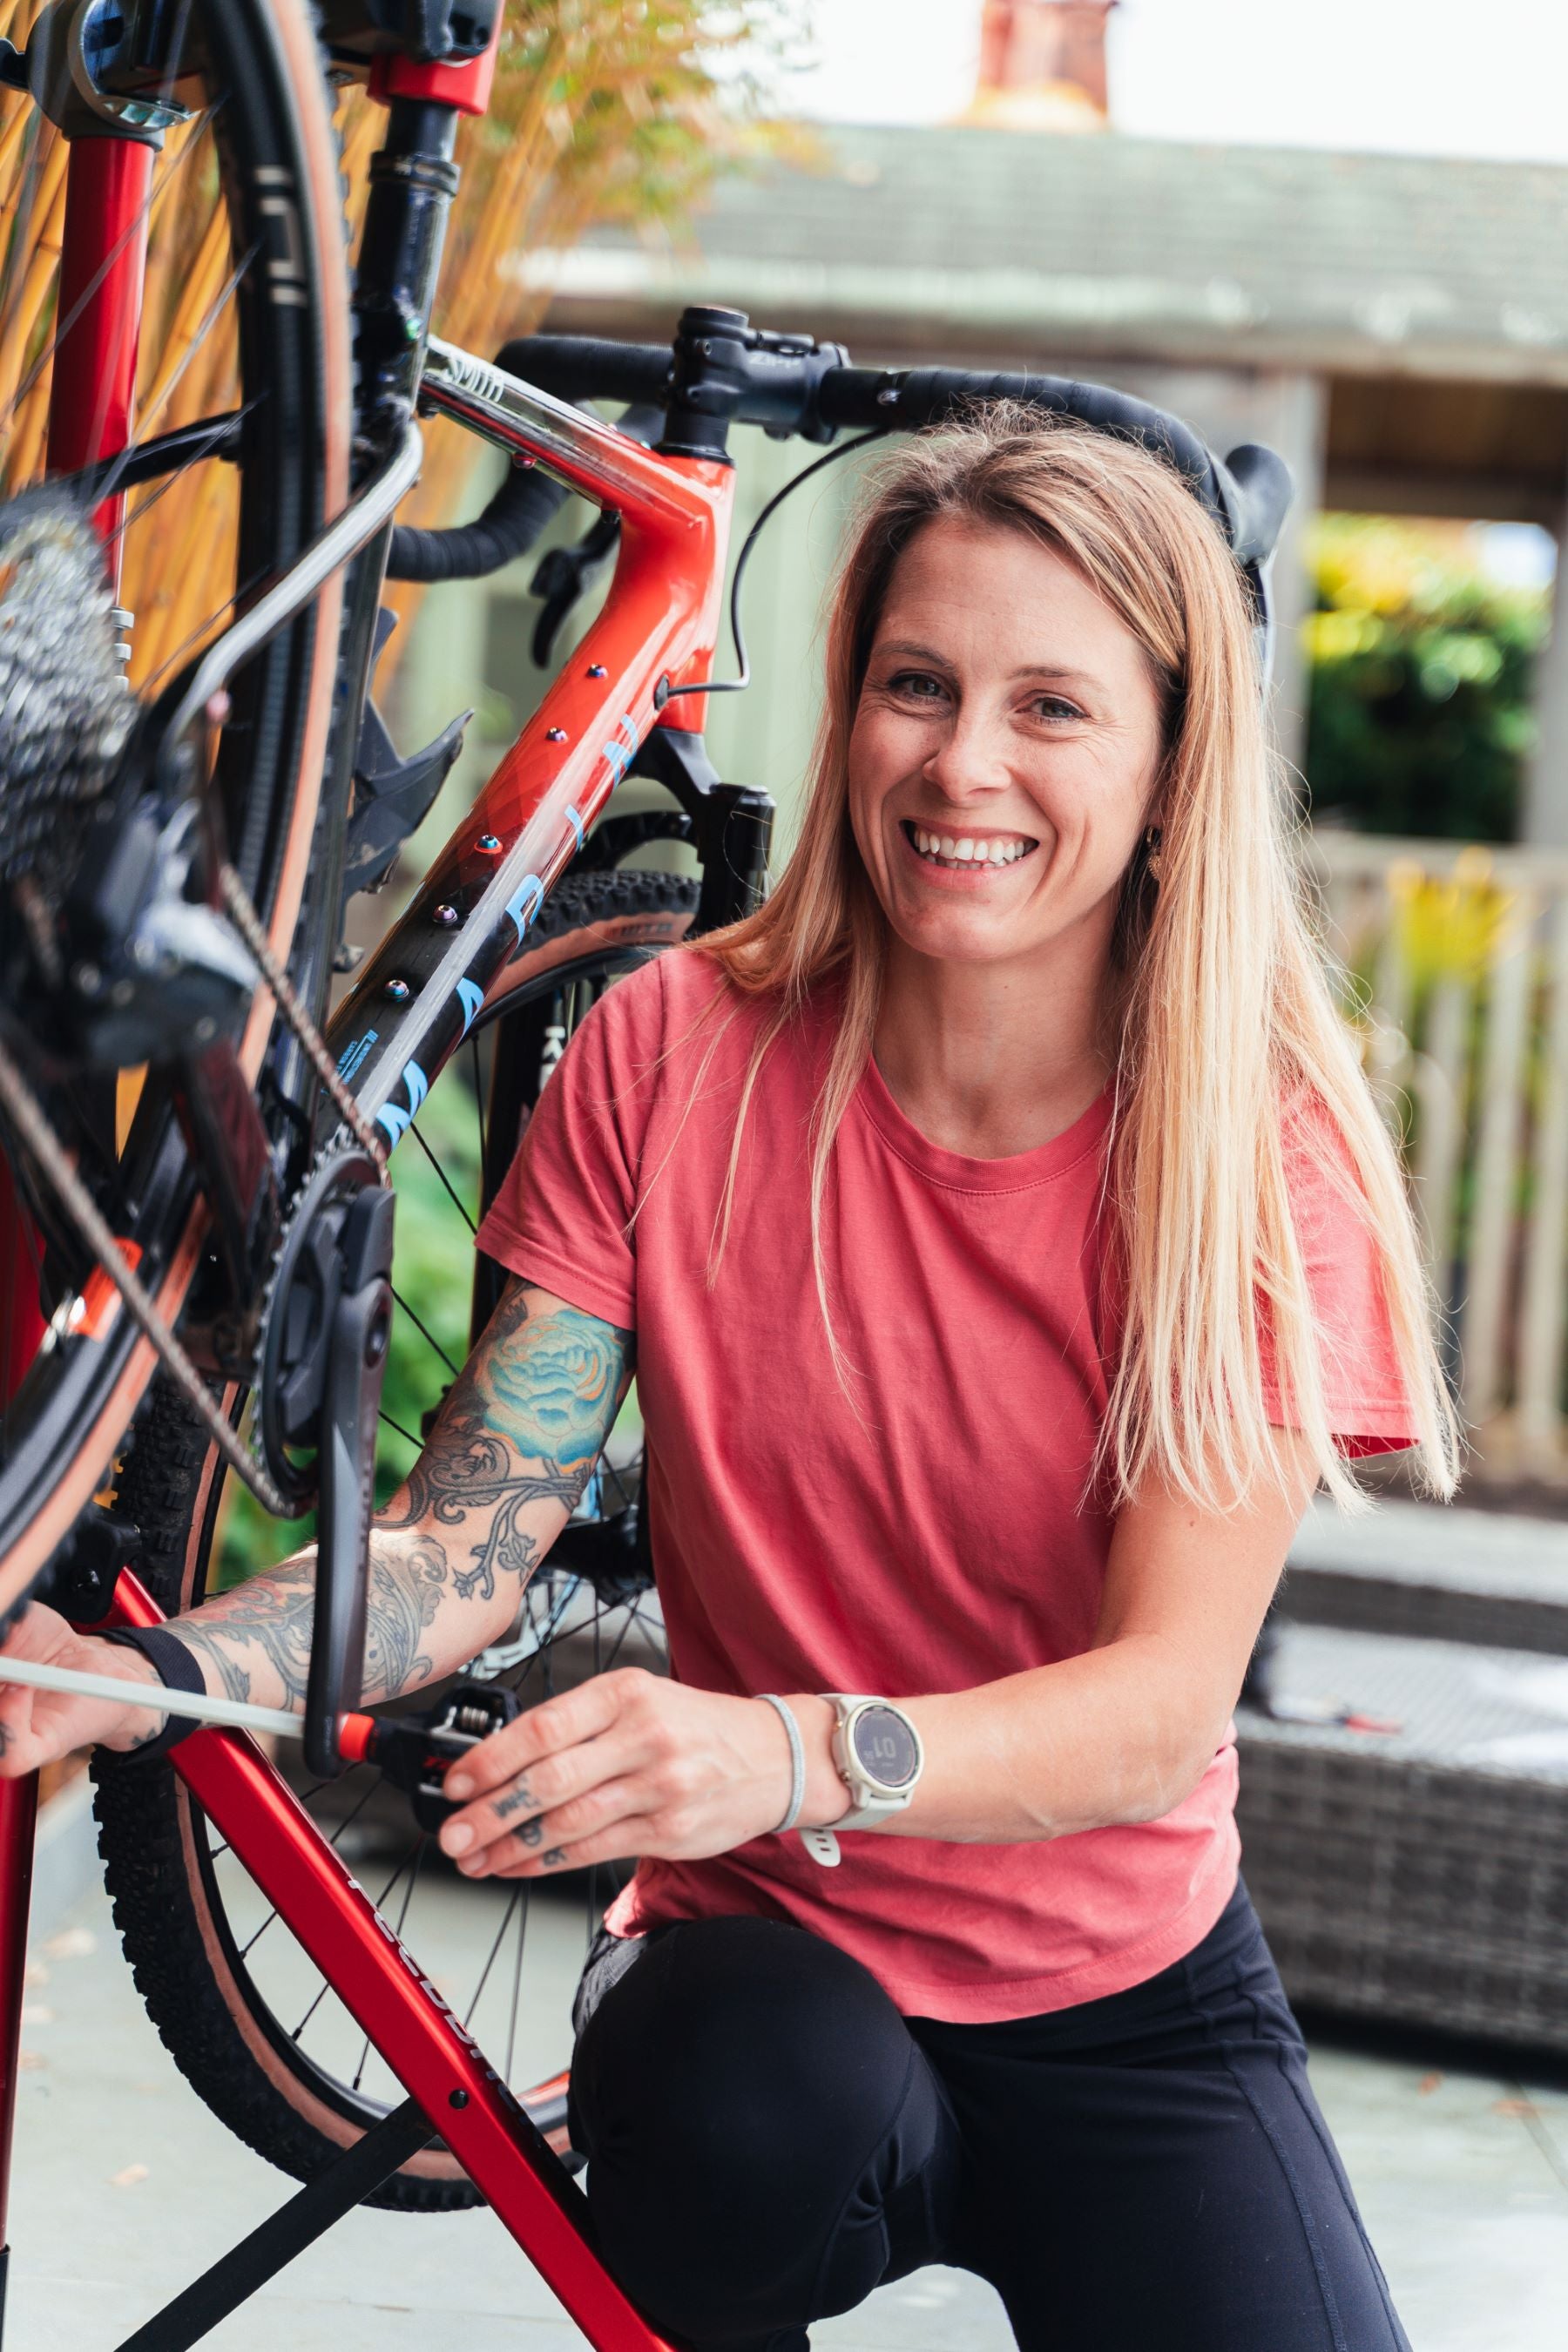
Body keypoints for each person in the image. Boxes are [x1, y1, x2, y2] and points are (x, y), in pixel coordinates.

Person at [0, 409, 1460, 2352]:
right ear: (848, 710)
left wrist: (772, 1747)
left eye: (1053, 709)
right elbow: (462, 1544)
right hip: (774, 1992)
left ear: (1177, 773)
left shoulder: (1252, 1154)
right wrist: (152, 1676)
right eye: (917, 686)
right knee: (726, 2098)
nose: (964, 764)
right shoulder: (672, 1053)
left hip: (1130, 1997)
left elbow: (1154, 1710)